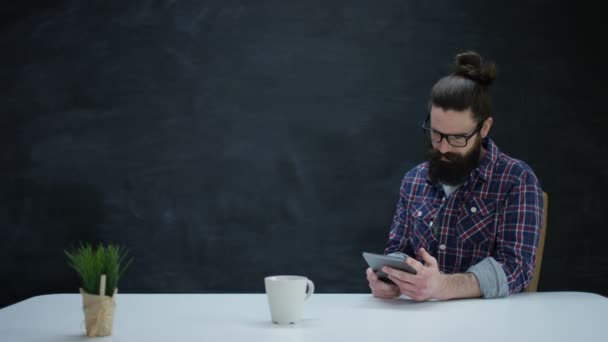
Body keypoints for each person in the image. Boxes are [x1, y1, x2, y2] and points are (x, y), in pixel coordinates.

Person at [367, 51, 544, 301]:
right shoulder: (414, 179)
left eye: (457, 138)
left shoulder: (517, 180)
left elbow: (517, 268)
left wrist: (444, 287)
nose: (443, 148)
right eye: (436, 133)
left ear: (484, 128)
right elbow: (399, 251)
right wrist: (389, 277)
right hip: (419, 325)